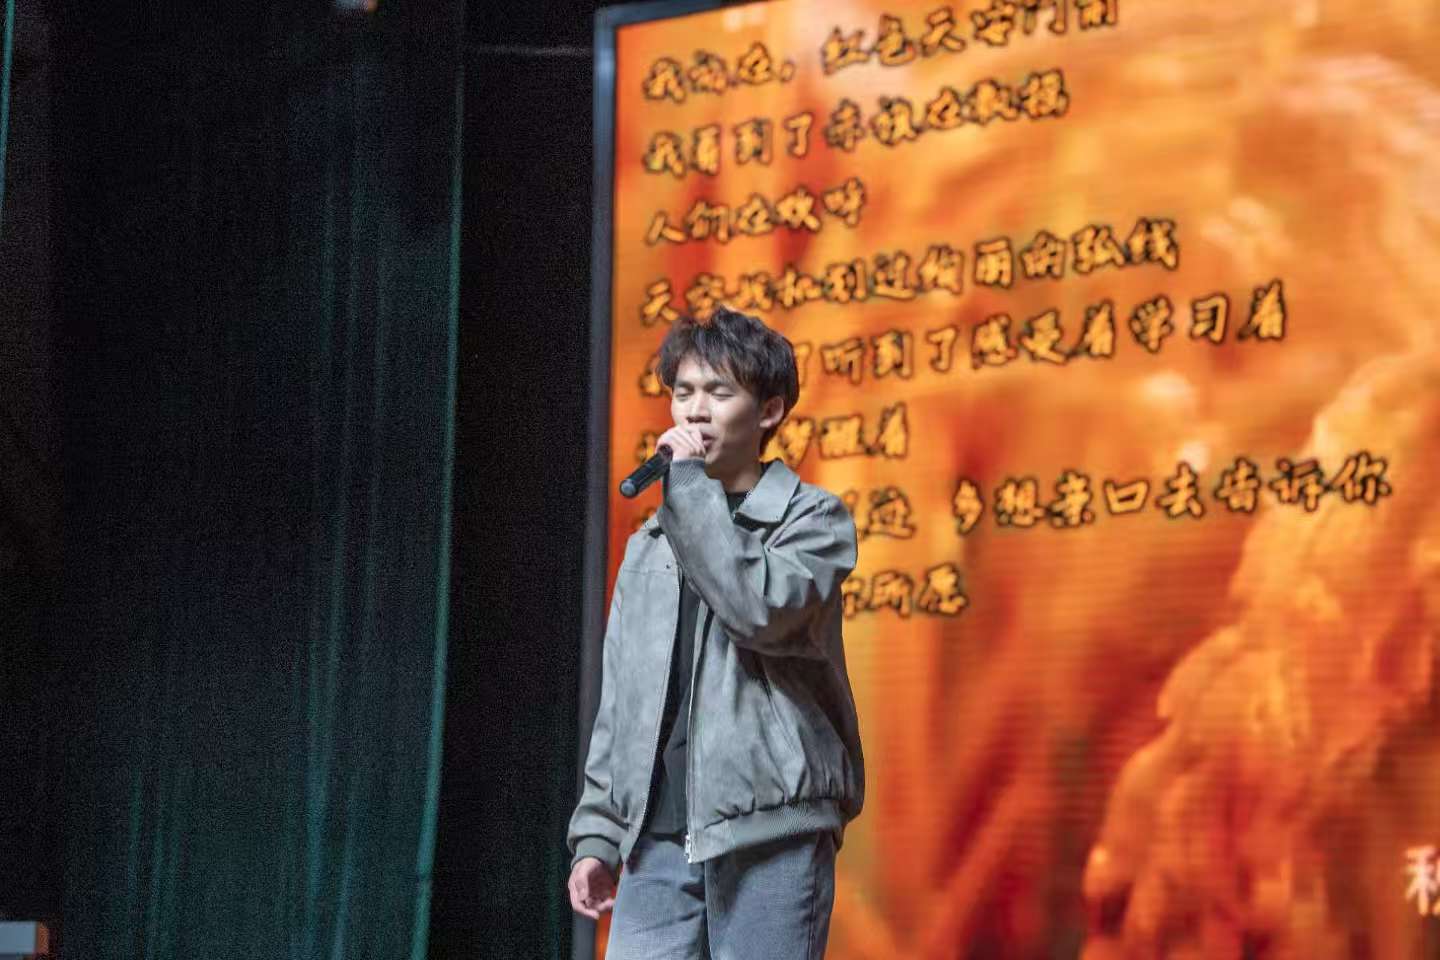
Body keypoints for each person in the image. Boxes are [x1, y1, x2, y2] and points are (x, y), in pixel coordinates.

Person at [566, 306, 865, 959]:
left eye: (719, 392)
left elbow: (757, 608)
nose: (695, 411)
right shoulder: (650, 545)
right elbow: (623, 702)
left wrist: (688, 488)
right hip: (658, 837)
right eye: (684, 392)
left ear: (769, 411)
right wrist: (598, 834)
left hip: (770, 830)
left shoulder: (813, 521)